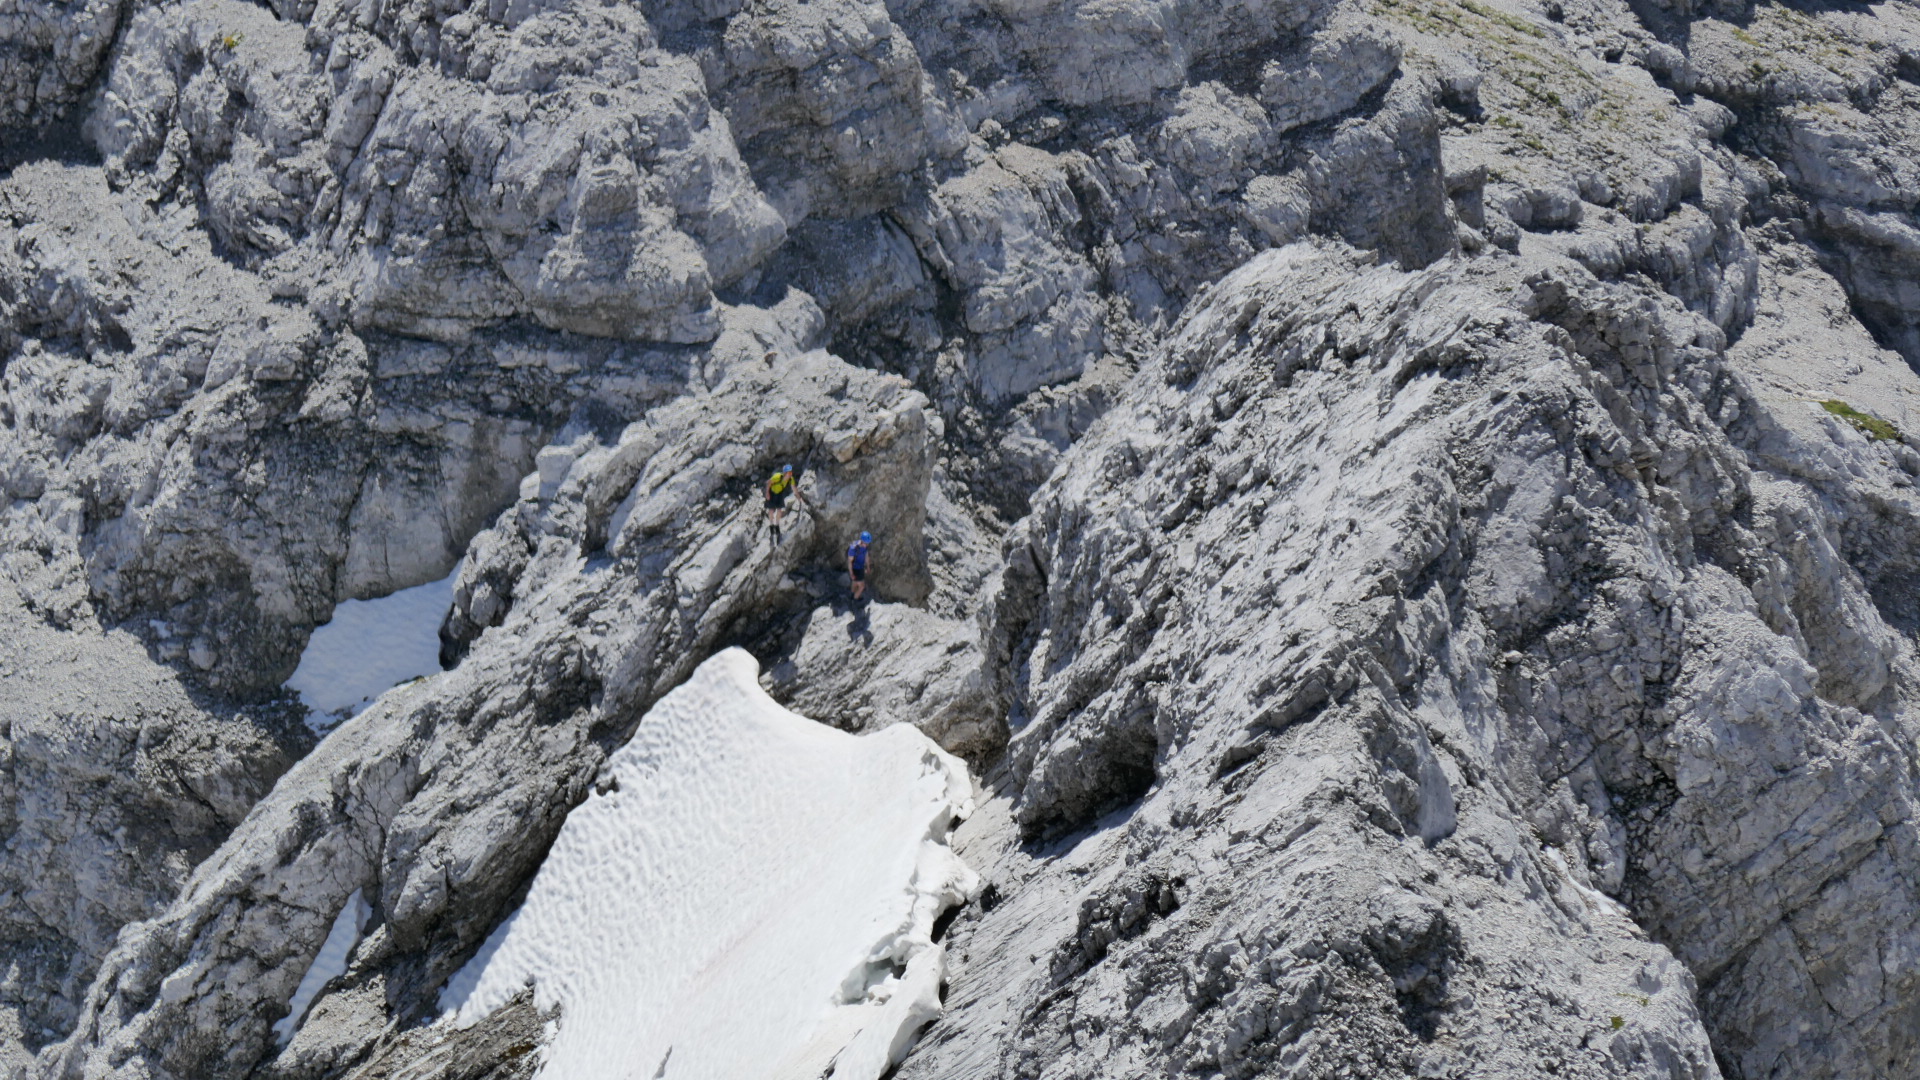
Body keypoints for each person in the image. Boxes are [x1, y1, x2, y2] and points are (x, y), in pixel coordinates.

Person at [764, 464, 800, 544]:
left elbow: (794, 488)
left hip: (779, 494)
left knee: (779, 511)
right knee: (771, 511)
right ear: (784, 473)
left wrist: (799, 498)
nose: (790, 474)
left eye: (791, 472)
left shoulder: (791, 479)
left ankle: (777, 529)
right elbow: (769, 483)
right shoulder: (777, 476)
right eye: (788, 472)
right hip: (772, 493)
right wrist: (767, 493)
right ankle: (771, 529)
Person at [847, 531, 872, 601]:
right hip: (855, 569)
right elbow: (849, 562)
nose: (867, 545)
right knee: (862, 586)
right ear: (861, 541)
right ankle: (855, 599)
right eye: (866, 543)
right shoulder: (853, 548)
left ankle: (852, 595)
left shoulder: (865, 547)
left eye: (868, 543)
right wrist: (851, 573)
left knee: (855, 583)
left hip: (860, 568)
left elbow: (866, 557)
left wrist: (868, 567)